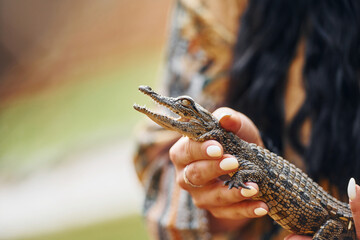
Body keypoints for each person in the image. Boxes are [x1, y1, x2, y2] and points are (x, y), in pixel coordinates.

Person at [134, 0, 360, 239]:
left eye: (186, 106)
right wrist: (211, 201)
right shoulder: (212, 7)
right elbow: (154, 172)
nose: (176, 108)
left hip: (328, 217)